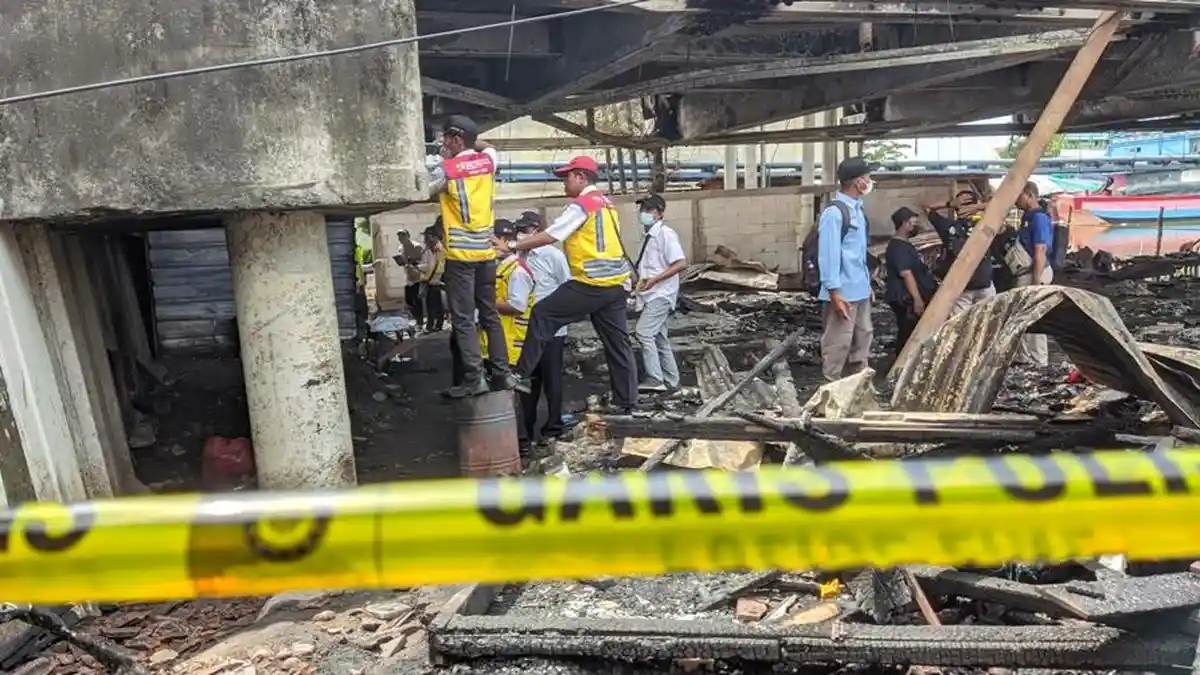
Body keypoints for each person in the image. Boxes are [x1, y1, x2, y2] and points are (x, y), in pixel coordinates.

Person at [494, 156, 638, 413]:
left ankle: (522, 375)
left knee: (541, 313)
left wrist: (512, 246)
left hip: (591, 283)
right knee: (618, 343)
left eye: (567, 177)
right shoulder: (606, 203)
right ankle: (627, 401)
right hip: (615, 286)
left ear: (581, 177)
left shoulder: (582, 205)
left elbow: (551, 235)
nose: (564, 183)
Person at [428, 115, 511, 398]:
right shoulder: (488, 161)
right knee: (489, 315)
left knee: (463, 319)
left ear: (456, 139)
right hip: (486, 256)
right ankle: (502, 374)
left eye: (446, 139)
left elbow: (425, 188)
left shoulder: (446, 170)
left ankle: (474, 378)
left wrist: (444, 157)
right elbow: (487, 148)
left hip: (461, 259)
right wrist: (472, 145)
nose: (443, 144)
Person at [514, 211, 571, 447]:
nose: (521, 234)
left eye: (525, 230)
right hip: (525, 329)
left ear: (536, 231)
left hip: (551, 330)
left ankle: (554, 426)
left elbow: (566, 286)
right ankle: (526, 429)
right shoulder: (518, 256)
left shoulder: (552, 255)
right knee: (527, 379)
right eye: (520, 229)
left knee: (552, 380)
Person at [818, 157, 875, 382]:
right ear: (858, 182)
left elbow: (858, 254)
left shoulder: (857, 210)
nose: (870, 182)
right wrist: (834, 291)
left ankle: (858, 386)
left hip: (859, 289)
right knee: (838, 342)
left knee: (863, 337)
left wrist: (867, 284)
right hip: (843, 292)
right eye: (867, 178)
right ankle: (830, 387)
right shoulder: (835, 213)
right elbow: (829, 254)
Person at [632, 194, 687, 393]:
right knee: (659, 338)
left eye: (649, 210)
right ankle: (672, 381)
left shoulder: (665, 234)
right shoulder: (648, 236)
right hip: (651, 294)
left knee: (643, 332)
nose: (644, 214)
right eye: (643, 210)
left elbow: (681, 263)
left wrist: (655, 280)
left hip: (661, 294)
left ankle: (655, 379)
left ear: (660, 213)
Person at [925, 190, 996, 315]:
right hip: (980, 286)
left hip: (963, 287)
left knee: (961, 328)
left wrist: (949, 203)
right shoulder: (987, 223)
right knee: (985, 326)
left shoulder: (949, 227)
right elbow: (1003, 205)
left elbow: (927, 208)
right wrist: (979, 206)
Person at [884, 207, 938, 352]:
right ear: (904, 224)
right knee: (908, 334)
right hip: (905, 298)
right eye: (914, 224)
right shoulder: (898, 247)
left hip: (908, 297)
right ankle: (900, 366)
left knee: (911, 333)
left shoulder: (905, 244)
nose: (916, 227)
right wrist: (917, 299)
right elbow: (906, 273)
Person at [1013, 181, 1055, 368]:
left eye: (1018, 195)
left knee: (1035, 317)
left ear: (1029, 195)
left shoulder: (1039, 218)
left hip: (1036, 272)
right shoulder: (1027, 217)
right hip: (1026, 272)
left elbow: (1040, 250)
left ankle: (1039, 360)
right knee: (1021, 315)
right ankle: (1025, 356)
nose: (1015, 200)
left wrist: (1035, 282)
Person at [417, 221, 447, 332]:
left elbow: (429, 266)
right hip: (433, 281)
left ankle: (434, 325)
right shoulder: (431, 250)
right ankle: (436, 324)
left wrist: (416, 266)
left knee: (433, 306)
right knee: (434, 305)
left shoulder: (434, 250)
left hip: (433, 281)